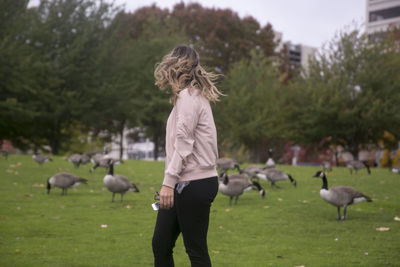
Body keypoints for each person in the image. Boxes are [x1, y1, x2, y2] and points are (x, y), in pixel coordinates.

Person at [152, 45, 223, 267]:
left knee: (196, 250)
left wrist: (168, 183)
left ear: (176, 66)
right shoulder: (192, 97)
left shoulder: (188, 97)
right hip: (187, 182)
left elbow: (184, 144)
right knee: (161, 244)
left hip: (193, 182)